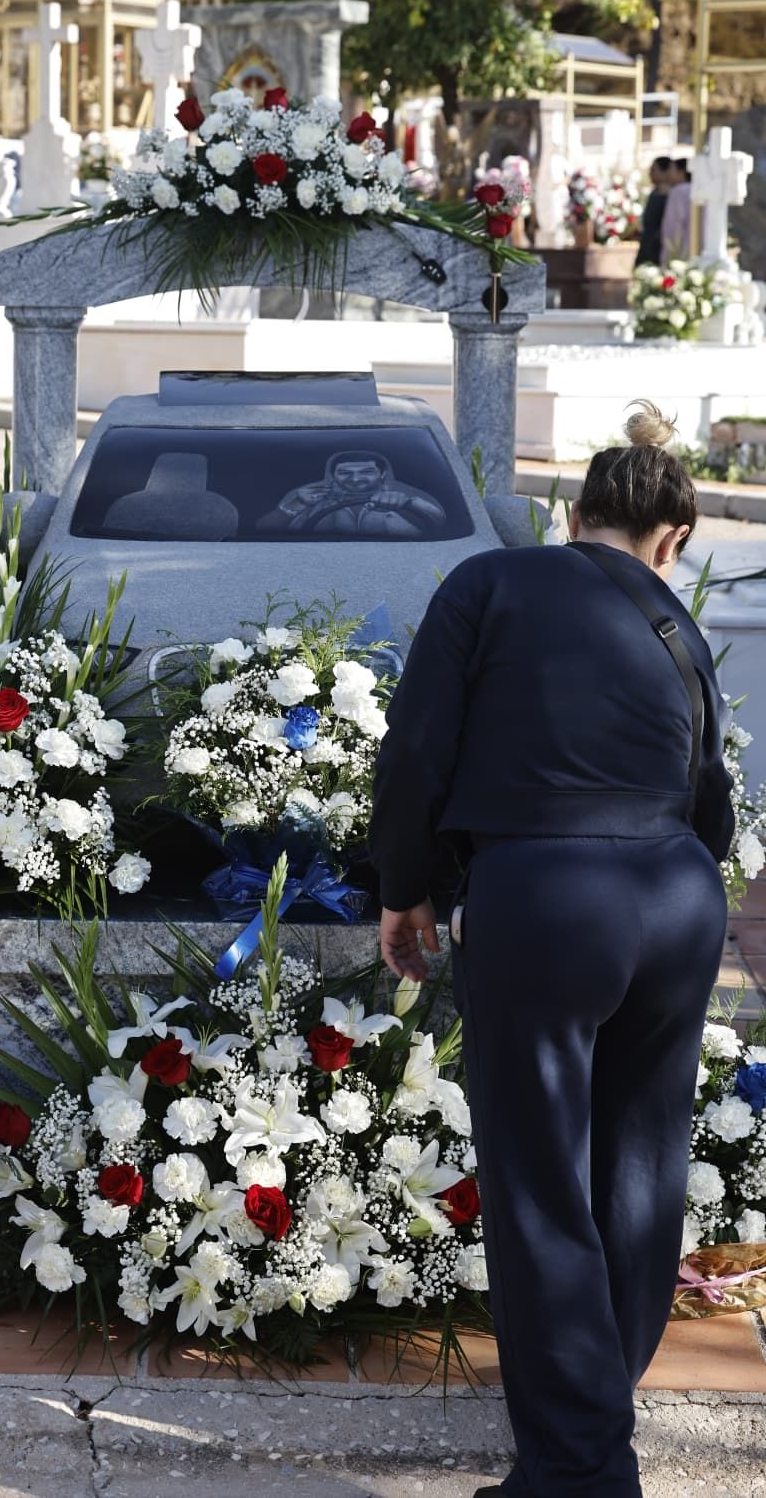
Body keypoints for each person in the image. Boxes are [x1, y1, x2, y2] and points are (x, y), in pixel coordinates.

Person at [369, 401, 734, 1498]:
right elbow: (709, 791)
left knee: (538, 1183)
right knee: (638, 1170)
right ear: (669, 539)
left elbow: (417, 748)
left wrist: (406, 888)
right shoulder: (676, 625)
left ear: (569, 513)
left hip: (545, 894)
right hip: (673, 898)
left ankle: (578, 1470)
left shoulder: (488, 584)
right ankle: (585, 1427)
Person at [257, 450, 446, 538]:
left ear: (382, 475)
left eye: (366, 472)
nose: (355, 479)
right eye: (345, 473)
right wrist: (294, 506)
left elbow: (444, 526)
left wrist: (409, 504)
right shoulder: (311, 498)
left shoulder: (405, 496)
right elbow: (262, 532)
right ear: (333, 476)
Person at [635, 155, 672, 266]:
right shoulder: (655, 192)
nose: (650, 173)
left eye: (654, 170)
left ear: (665, 172)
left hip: (659, 247)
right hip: (647, 245)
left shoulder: (670, 195)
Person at [660, 158, 692, 263]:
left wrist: (668, 254)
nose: (668, 173)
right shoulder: (697, 190)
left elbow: (672, 226)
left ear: (681, 171)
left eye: (671, 169)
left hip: (679, 251)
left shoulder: (678, 192)